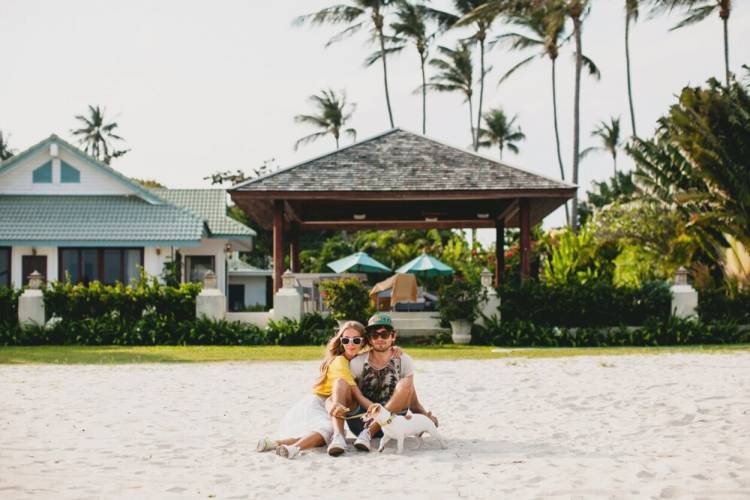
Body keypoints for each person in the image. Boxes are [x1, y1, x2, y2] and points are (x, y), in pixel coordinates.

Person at [255, 320, 371, 459]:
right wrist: (382, 413)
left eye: (356, 340)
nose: (350, 344)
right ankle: (294, 448)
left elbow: (377, 353)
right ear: (341, 341)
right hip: (319, 403)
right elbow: (357, 395)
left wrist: (394, 350)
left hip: (328, 401)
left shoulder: (356, 359)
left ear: (363, 342)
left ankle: (273, 443)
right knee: (326, 431)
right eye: (346, 340)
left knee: (321, 437)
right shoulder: (340, 361)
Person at [328, 312, 438, 453]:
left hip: (395, 425)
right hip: (362, 423)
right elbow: (344, 393)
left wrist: (427, 418)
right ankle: (338, 437)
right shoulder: (357, 362)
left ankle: (369, 433)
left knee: (405, 384)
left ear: (393, 336)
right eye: (375, 335)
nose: (380, 339)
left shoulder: (404, 360)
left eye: (384, 334)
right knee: (340, 382)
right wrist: (333, 403)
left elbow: (413, 400)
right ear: (369, 338)